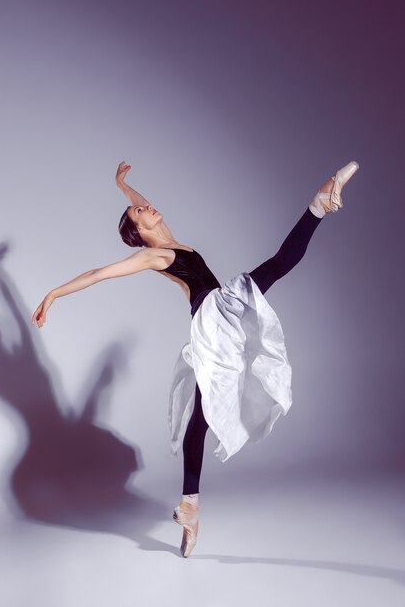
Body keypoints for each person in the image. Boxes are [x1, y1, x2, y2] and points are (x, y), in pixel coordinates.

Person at [32, 159, 360, 558]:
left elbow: (142, 205)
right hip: (213, 317)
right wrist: (53, 295)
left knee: (202, 417)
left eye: (144, 205)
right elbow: (98, 273)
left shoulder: (166, 236)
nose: (148, 206)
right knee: (277, 266)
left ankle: (190, 506)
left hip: (220, 309)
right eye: (142, 212)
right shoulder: (154, 256)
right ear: (140, 232)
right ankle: (319, 204)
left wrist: (123, 186)